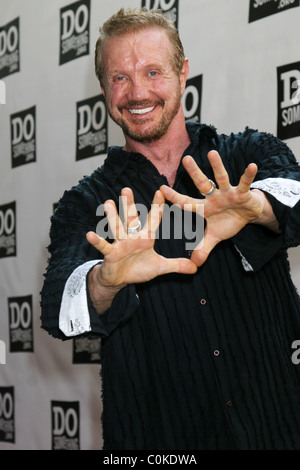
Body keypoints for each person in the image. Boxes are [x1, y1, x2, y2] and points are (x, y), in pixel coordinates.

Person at [41, 8, 300, 450]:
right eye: (119, 77)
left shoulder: (243, 156)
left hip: (278, 424)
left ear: (183, 73)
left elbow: (293, 193)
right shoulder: (85, 202)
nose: (137, 91)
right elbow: (58, 308)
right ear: (104, 89)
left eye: (153, 71)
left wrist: (255, 207)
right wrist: (105, 280)